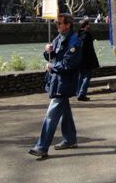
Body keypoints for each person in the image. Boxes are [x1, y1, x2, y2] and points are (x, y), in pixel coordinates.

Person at [28, 13, 82, 158]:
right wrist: (48, 52)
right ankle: (70, 139)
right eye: (56, 23)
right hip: (56, 81)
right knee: (65, 111)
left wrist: (52, 66)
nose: (56, 25)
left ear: (68, 25)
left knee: (51, 115)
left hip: (65, 82)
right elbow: (52, 57)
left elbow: (68, 64)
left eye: (59, 23)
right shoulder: (58, 38)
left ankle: (42, 147)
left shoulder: (74, 41)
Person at [76, 17, 100, 101]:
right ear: (85, 26)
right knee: (86, 77)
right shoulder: (87, 35)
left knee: (80, 77)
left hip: (79, 60)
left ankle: (78, 93)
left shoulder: (77, 35)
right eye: (88, 24)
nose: (89, 25)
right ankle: (82, 94)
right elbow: (88, 50)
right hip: (87, 60)